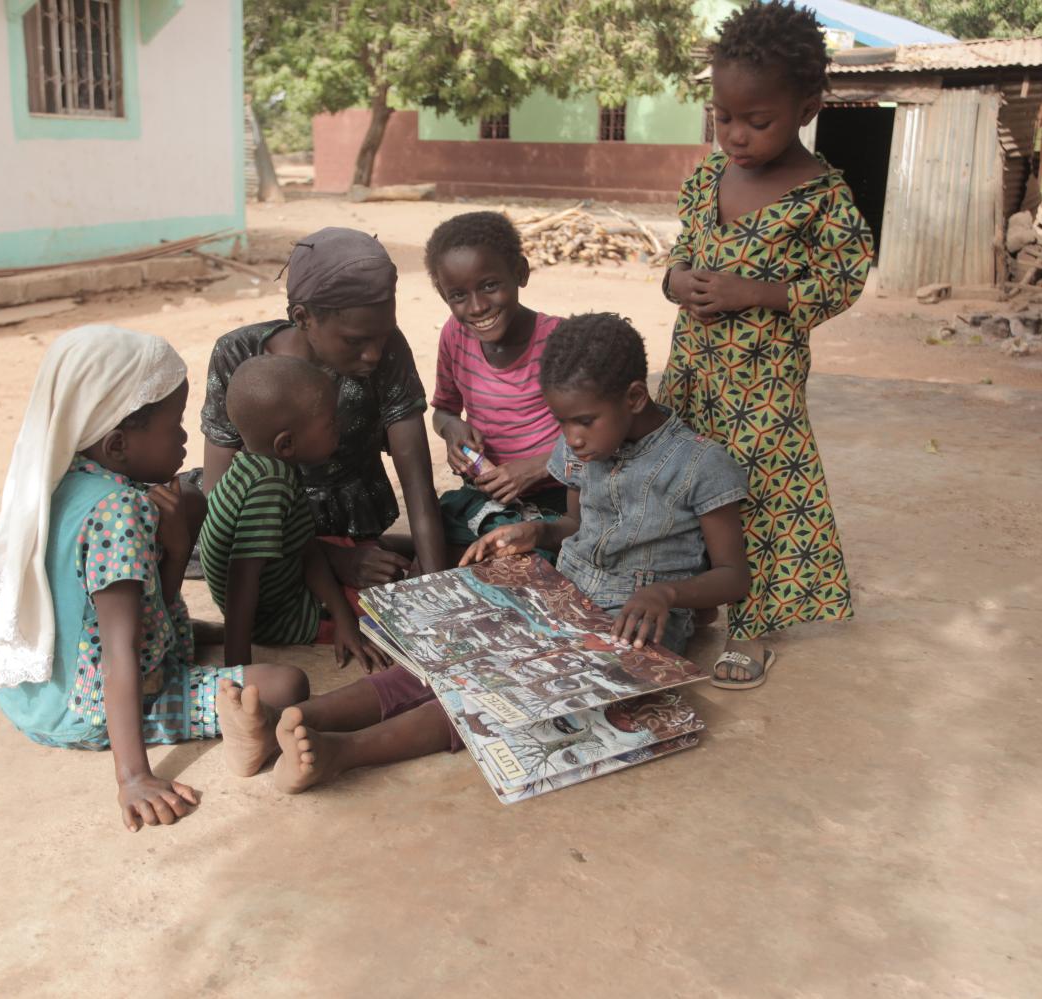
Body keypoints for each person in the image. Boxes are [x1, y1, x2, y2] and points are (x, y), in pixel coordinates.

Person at [220, 313, 752, 794]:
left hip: (629, 629)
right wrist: (536, 534)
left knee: (510, 700)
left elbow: (733, 577)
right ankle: (283, 721)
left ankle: (342, 752)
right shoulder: (579, 443)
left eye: (583, 422)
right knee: (447, 660)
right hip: (559, 597)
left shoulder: (701, 465)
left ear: (635, 398)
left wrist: (667, 592)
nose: (571, 440)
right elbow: (573, 525)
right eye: (561, 423)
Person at [0, 325, 308, 833]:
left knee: (184, 524)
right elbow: (117, 651)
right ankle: (242, 731)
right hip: (88, 709)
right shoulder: (120, 512)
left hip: (33, 697)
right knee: (286, 683)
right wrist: (133, 776)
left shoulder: (64, 477)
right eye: (174, 425)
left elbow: (134, 604)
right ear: (119, 442)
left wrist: (174, 548)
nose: (186, 437)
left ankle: (214, 689)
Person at [661, 0, 875, 689]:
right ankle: (685, 606)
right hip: (693, 373)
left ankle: (752, 626)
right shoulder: (705, 180)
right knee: (684, 487)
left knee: (757, 500)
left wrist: (754, 292)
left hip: (765, 391)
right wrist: (679, 281)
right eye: (723, 118)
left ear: (807, 106)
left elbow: (844, 281)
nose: (737, 136)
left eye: (758, 121)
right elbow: (676, 260)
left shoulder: (822, 197)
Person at [199, 227, 446, 589]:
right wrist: (336, 560)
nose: (373, 354)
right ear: (302, 318)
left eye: (383, 335)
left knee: (444, 546)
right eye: (355, 341)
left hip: (353, 518)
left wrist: (437, 580)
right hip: (265, 524)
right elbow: (217, 495)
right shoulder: (239, 355)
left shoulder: (388, 349)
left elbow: (419, 487)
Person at [197, 354, 387, 674]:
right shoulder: (269, 487)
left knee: (357, 554)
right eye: (330, 422)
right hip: (283, 619)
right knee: (387, 609)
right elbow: (242, 583)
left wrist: (342, 617)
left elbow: (305, 548)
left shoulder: (256, 464)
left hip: (286, 584)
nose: (338, 427)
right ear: (286, 444)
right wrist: (237, 673)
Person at [424, 211, 565, 558]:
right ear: (444, 296)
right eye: (458, 295)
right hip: (489, 495)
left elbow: (609, 438)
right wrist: (453, 428)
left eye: (489, 285)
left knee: (523, 565)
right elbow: (443, 410)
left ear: (520, 272)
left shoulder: (561, 343)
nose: (477, 307)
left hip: (561, 497)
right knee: (441, 535)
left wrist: (538, 466)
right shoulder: (455, 335)